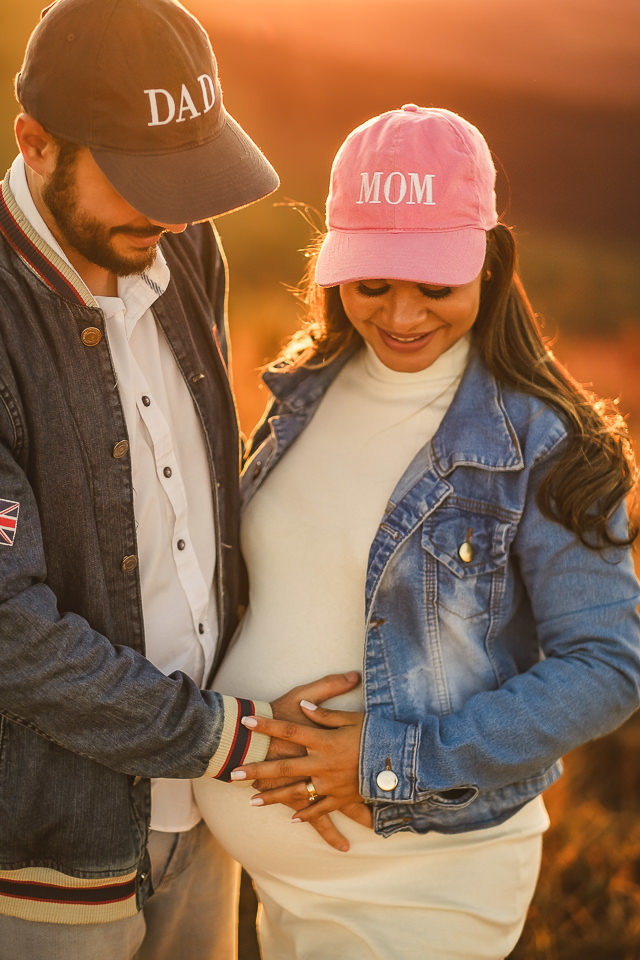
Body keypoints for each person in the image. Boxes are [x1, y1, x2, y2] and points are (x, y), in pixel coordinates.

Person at [194, 105, 640, 959]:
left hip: (423, 881)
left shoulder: (545, 441)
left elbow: (607, 667)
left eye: (435, 286)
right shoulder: (305, 392)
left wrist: (388, 759)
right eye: (372, 285)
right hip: (283, 884)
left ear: (490, 263)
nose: (401, 316)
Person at [0, 1, 360, 958]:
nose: (172, 209)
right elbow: (8, 630)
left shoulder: (180, 243)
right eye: (140, 179)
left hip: (213, 819)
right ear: (35, 145)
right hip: (49, 858)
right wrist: (223, 736)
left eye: (189, 177)